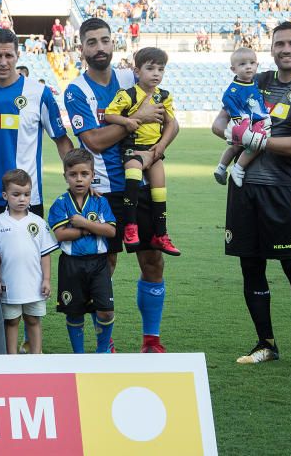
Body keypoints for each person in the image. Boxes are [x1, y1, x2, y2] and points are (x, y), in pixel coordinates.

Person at [212, 21, 291, 373]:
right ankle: (266, 344)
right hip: (244, 190)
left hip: (282, 193)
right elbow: (219, 124)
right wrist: (241, 133)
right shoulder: (255, 80)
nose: (286, 49)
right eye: (280, 44)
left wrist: (256, 140)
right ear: (272, 48)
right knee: (251, 266)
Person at [64, 18, 169, 353]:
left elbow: (164, 118)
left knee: (152, 259)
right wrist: (134, 121)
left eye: (104, 40)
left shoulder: (132, 78)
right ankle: (104, 344)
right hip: (103, 191)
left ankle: (151, 340)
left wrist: (157, 151)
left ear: (114, 44)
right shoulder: (76, 90)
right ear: (81, 48)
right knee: (104, 266)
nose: (99, 48)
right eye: (91, 42)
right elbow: (93, 141)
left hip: (140, 186)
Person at [0, 28, 73, 221]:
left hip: (27, 198)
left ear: (18, 55)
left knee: (27, 252)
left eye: (8, 55)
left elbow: (62, 141)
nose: (3, 62)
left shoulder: (40, 93)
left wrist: (78, 178)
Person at [104, 47, 181, 255]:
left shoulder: (164, 96)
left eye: (161, 69)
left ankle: (161, 234)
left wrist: (162, 146)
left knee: (159, 190)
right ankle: (131, 226)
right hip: (132, 149)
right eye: (150, 68)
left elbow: (171, 124)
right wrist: (129, 121)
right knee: (133, 176)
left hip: (154, 150)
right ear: (137, 72)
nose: (156, 73)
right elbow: (109, 115)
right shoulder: (128, 94)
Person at [48, 149, 118, 353]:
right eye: (73, 174)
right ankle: (78, 355)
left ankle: (102, 351)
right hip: (71, 265)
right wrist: (91, 230)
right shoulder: (60, 203)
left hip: (98, 264)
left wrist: (82, 223)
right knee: (74, 313)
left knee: (105, 310)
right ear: (65, 176)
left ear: (92, 175)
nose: (79, 179)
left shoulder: (100, 201)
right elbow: (60, 235)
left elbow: (111, 231)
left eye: (84, 174)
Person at [0, 169, 58, 355]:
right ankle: (11, 358)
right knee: (11, 321)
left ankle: (36, 356)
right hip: (9, 284)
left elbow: (45, 254)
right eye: (16, 194)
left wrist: (46, 280)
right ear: (5, 195)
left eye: (26, 194)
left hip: (34, 284)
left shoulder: (37, 222)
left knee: (33, 319)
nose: (22, 199)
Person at [214, 47, 270, 187]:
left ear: (257, 65)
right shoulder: (236, 86)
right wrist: (236, 115)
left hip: (254, 119)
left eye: (252, 63)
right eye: (243, 64)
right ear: (233, 69)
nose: (248, 67)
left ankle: (221, 168)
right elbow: (227, 98)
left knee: (235, 146)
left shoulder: (254, 82)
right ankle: (238, 168)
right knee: (256, 144)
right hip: (246, 121)